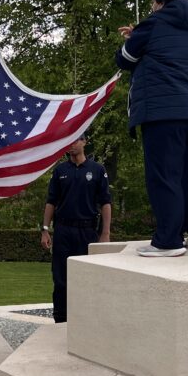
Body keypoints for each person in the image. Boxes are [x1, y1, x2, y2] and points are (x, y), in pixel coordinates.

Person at [115, 0, 188, 257]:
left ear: (159, 2)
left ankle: (167, 242)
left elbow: (123, 59)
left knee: (163, 176)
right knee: (183, 176)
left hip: (165, 112)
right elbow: (162, 47)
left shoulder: (153, 23)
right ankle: (178, 233)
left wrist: (134, 38)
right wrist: (141, 35)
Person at [40, 136, 112, 323]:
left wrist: (105, 233)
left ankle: (85, 319)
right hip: (63, 230)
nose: (72, 144)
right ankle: (61, 319)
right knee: (60, 278)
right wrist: (45, 229)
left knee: (87, 277)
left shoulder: (97, 170)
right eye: (69, 140)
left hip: (87, 231)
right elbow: (51, 201)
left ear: (85, 141)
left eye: (76, 140)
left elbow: (105, 202)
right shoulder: (60, 171)